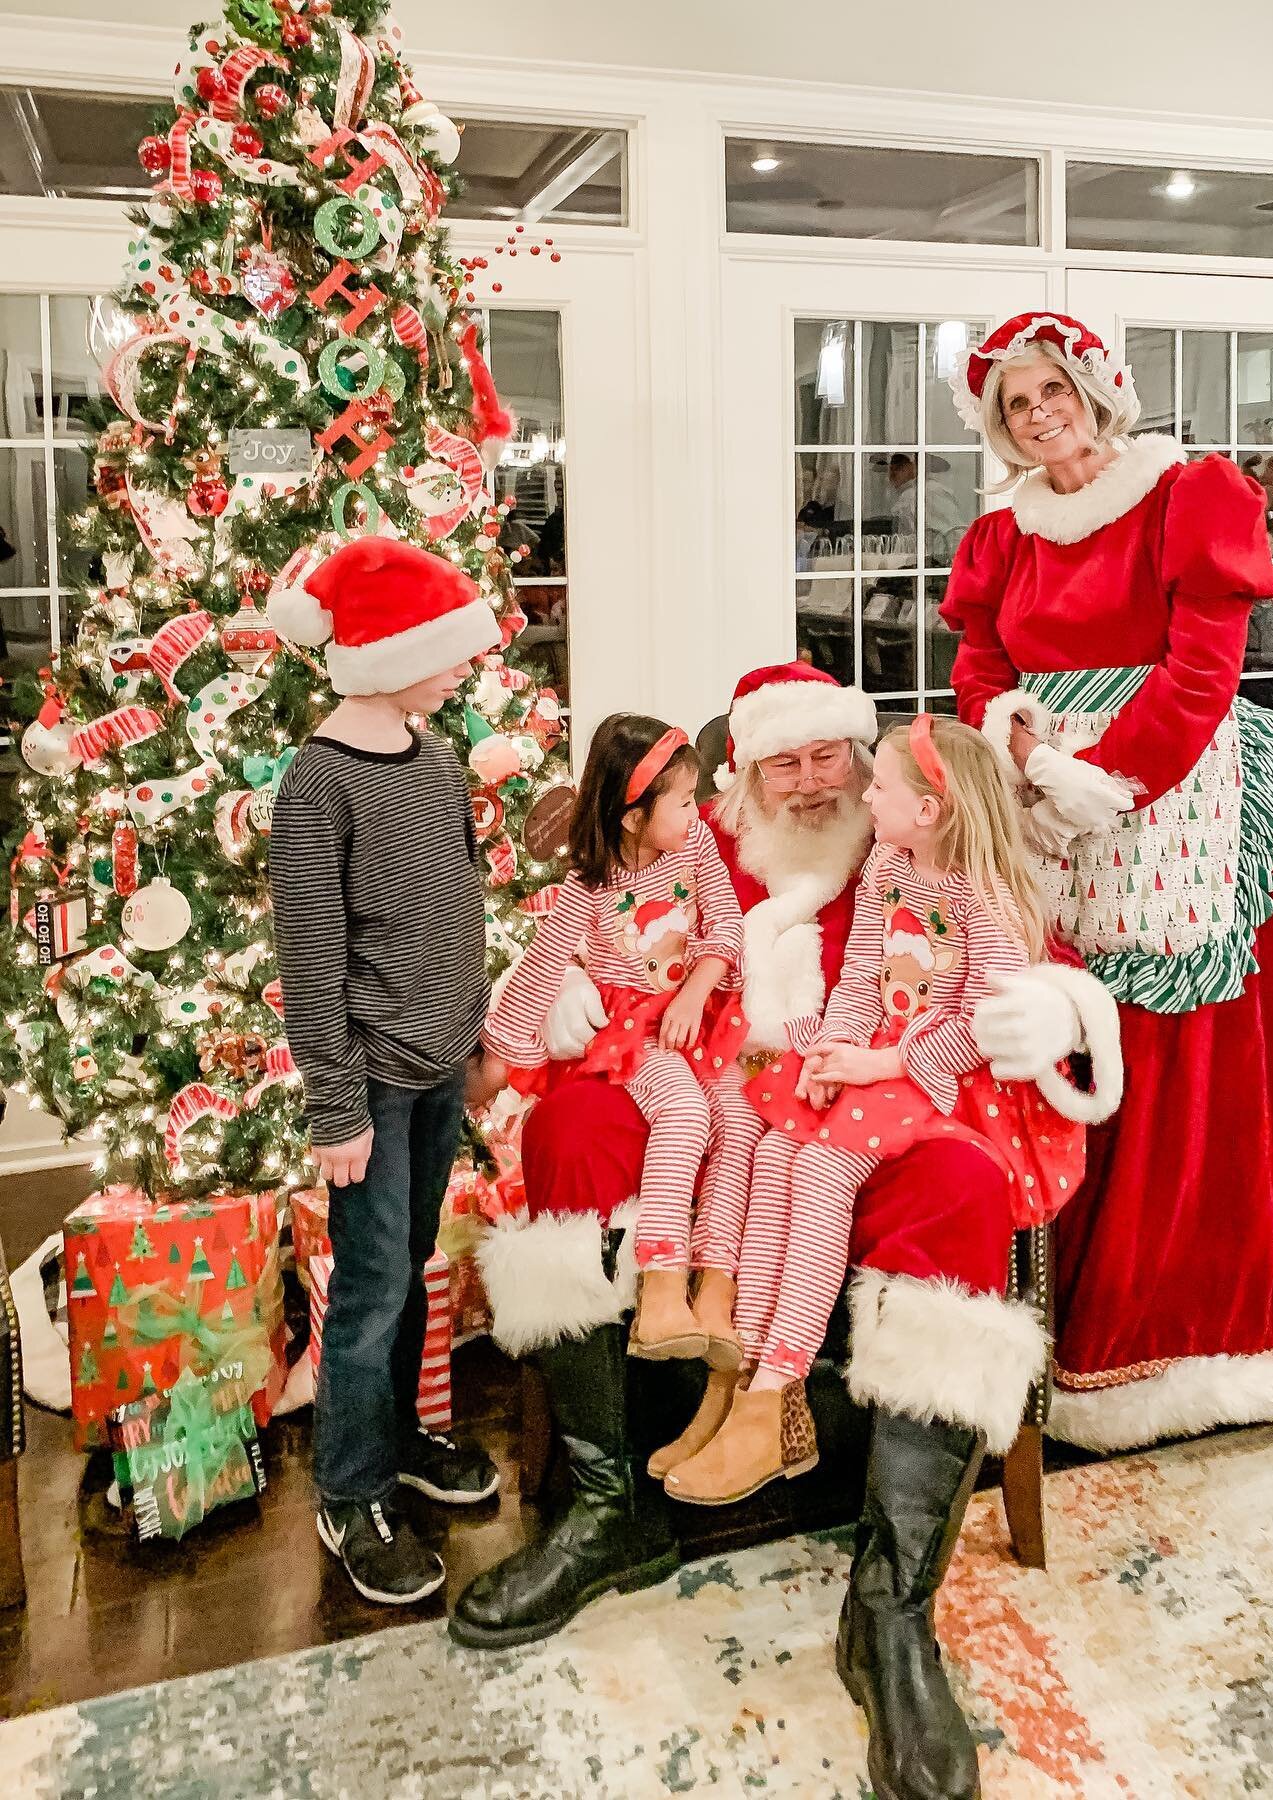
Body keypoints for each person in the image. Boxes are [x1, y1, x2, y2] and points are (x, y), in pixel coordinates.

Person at [452, 662, 1121, 1800]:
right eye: (782, 765)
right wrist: (560, 994)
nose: (809, 786)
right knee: (570, 1124)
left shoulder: (918, 854)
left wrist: (1047, 1010)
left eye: (829, 759)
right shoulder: (704, 840)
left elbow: (1020, 956)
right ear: (745, 778)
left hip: (879, 1100)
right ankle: (613, 1509)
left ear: (872, 773)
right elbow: (601, 906)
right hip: (710, 1078)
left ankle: (891, 1607)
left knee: (958, 1191)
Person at [942, 310, 1273, 1453]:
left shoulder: (1192, 495)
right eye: (1014, 404)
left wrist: (1105, 779)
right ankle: (1069, 1311)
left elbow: (1198, 675)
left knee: (1179, 1051)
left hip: (1175, 805)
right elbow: (982, 660)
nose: (1037, 416)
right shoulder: (1003, 534)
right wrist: (1026, 753)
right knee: (1071, 1027)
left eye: (1050, 391)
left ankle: (1188, 1326)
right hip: (1046, 811)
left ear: (1093, 387)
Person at [662, 716, 1086, 1508]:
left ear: (928, 809)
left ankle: (780, 1375)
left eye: (880, 784)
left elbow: (985, 1030)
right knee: (777, 1149)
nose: (864, 791)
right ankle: (747, 1376)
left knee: (820, 1168)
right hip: (874, 1055)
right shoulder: (891, 863)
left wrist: (882, 1061)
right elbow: (860, 976)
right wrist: (832, 1053)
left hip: (946, 1080)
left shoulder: (981, 894)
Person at [267, 537, 503, 1608]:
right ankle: (350, 1488)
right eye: (449, 652)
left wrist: (477, 1036)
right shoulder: (319, 784)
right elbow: (311, 956)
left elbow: (460, 906)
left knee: (412, 1266)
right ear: (384, 652)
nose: (464, 670)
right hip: (369, 1086)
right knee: (367, 1292)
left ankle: (402, 1433)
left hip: (442, 1065)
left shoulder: (437, 758)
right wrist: (334, 1107)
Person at [475, 713, 762, 1363]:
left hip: (702, 1013)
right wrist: (494, 1065)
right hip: (639, 1033)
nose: (698, 811)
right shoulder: (588, 887)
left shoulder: (696, 849)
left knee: (740, 1122)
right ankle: (662, 1288)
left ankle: (715, 1290)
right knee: (685, 1113)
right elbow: (542, 968)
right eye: (685, 801)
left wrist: (694, 992)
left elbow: (725, 928)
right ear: (633, 816)